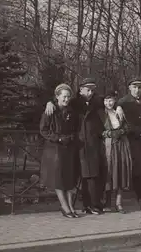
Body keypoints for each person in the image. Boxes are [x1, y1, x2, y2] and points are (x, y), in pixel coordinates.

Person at [45, 77, 106, 215]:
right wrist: (50, 102)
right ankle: (81, 205)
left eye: (92, 90)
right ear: (81, 90)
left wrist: (118, 107)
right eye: (87, 90)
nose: (90, 93)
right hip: (75, 142)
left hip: (91, 141)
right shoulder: (74, 102)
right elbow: (61, 100)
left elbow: (110, 101)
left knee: (91, 174)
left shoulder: (96, 102)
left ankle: (91, 204)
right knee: (76, 175)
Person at [39, 83, 80, 219]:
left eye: (68, 97)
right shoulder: (50, 110)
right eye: (64, 97)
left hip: (69, 147)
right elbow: (43, 130)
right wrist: (58, 138)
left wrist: (71, 137)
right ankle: (64, 206)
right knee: (58, 179)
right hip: (55, 149)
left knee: (69, 178)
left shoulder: (72, 112)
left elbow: (76, 129)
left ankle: (71, 206)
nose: (66, 99)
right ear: (57, 97)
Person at [116, 76, 141, 209]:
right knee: (136, 171)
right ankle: (140, 199)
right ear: (129, 88)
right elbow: (124, 124)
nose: (137, 90)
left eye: (139, 87)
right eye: (134, 87)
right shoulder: (122, 103)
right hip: (131, 141)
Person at [101, 90, 133, 213]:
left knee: (120, 172)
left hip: (121, 146)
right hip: (108, 146)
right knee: (109, 172)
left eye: (110, 100)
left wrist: (121, 131)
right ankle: (107, 201)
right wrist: (109, 133)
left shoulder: (119, 112)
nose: (108, 103)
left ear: (115, 100)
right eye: (106, 100)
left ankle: (119, 203)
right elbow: (99, 129)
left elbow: (127, 127)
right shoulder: (102, 114)